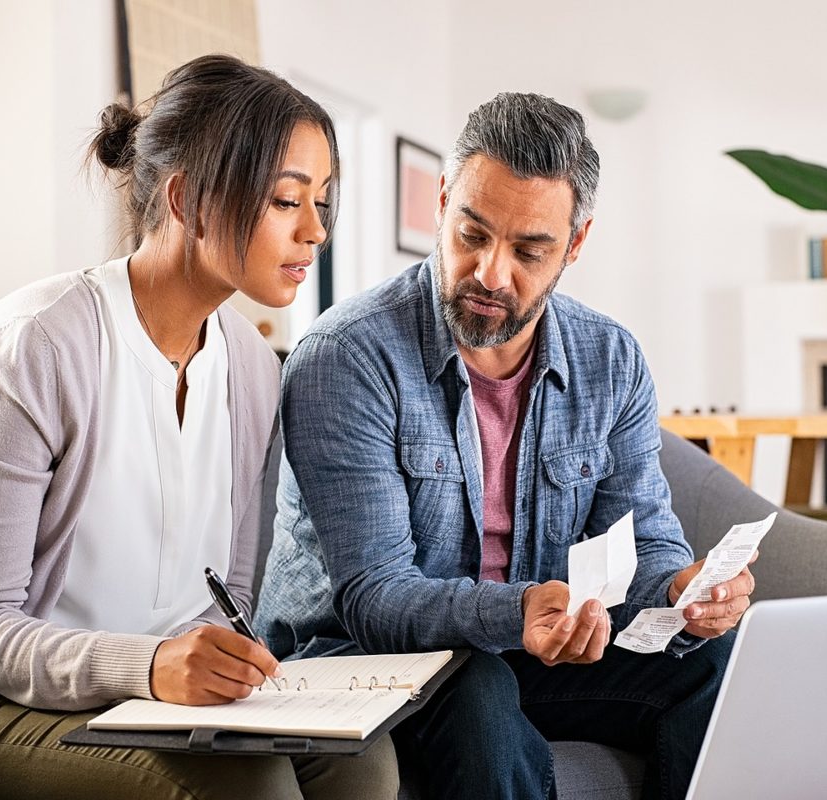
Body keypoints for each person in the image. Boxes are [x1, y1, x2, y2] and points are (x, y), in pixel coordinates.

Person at [0, 54, 398, 800]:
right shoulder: (35, 345)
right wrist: (150, 667)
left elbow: (232, 596)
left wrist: (235, 670)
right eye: (288, 201)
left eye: (323, 200)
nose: (315, 230)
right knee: (248, 789)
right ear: (186, 198)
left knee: (363, 764)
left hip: (147, 703)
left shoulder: (255, 370)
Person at [254, 92, 756, 800]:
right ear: (441, 204)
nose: (491, 273)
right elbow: (373, 597)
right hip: (356, 657)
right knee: (480, 685)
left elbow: (643, 538)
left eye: (529, 251)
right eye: (472, 234)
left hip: (524, 642)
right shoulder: (347, 356)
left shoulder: (611, 360)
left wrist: (682, 592)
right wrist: (519, 613)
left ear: (574, 246)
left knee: (716, 659)